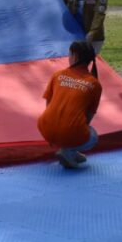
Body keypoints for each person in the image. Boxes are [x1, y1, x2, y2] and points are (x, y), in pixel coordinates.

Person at [38, 41, 102, 169]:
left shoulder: (58, 75)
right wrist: (72, 134)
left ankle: (69, 149)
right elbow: (89, 116)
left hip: (45, 127)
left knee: (69, 129)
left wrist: (55, 128)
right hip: (69, 131)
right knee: (93, 137)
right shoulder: (94, 84)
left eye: (69, 54)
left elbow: (48, 103)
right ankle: (69, 150)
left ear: (75, 57)